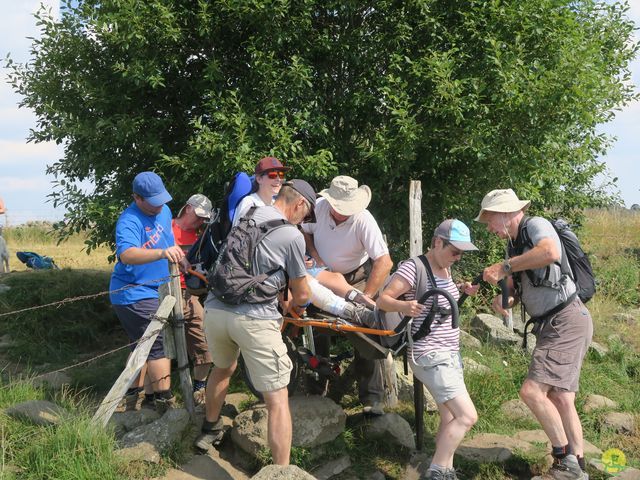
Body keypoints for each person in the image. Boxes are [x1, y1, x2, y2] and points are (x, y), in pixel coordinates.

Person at [195, 179, 315, 466]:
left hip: (215, 309)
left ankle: (210, 429)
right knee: (277, 398)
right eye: (306, 214)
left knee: (223, 367)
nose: (304, 220)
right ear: (299, 203)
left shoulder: (246, 217)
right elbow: (302, 292)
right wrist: (300, 304)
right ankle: (281, 471)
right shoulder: (291, 235)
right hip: (254, 318)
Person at [477, 189, 592, 480]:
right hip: (558, 322)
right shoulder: (514, 245)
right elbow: (519, 290)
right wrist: (506, 300)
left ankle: (564, 462)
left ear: (505, 213)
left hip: (564, 320)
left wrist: (504, 268)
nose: (489, 227)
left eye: (489, 220)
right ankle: (577, 463)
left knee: (532, 391)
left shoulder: (536, 224)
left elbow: (550, 252)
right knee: (563, 398)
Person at [377, 219, 479, 480]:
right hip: (429, 353)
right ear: (436, 243)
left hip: (449, 353)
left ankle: (446, 470)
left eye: (461, 253)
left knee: (449, 417)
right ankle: (436, 471)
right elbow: (383, 300)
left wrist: (462, 291)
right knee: (467, 416)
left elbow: (442, 304)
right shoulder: (415, 267)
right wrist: (404, 307)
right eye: (454, 251)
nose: (458, 257)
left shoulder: (445, 268)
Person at [302, 175, 393, 415]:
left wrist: (368, 296)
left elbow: (384, 261)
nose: (344, 212)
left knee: (366, 336)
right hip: (321, 276)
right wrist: (314, 254)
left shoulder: (364, 219)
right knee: (314, 326)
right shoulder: (319, 208)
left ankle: (371, 398)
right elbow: (303, 230)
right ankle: (317, 387)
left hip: (356, 280)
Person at [110, 171, 186, 413]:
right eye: (152, 202)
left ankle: (136, 399)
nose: (158, 206)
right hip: (133, 292)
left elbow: (168, 239)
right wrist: (162, 254)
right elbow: (127, 254)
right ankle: (165, 402)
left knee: (140, 347)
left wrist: (177, 257)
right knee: (157, 343)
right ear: (137, 198)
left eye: (161, 200)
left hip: (158, 289)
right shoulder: (129, 220)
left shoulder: (163, 211)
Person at [172, 194, 214, 405]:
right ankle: (141, 392)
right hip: (162, 291)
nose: (200, 221)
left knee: (203, 339)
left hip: (190, 293)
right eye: (198, 216)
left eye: (203, 219)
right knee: (151, 342)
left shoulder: (202, 236)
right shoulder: (166, 228)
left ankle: (200, 387)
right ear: (187, 208)